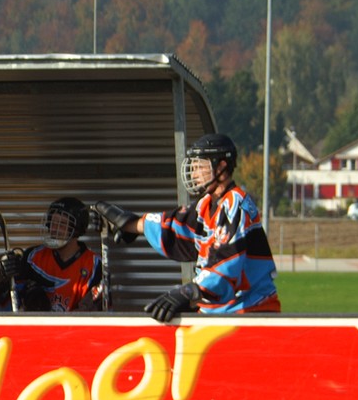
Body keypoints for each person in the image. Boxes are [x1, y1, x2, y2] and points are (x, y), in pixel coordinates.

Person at [91, 132, 280, 322]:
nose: (194, 174)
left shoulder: (235, 205)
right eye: (194, 167)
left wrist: (190, 291)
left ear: (222, 167)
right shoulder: (205, 204)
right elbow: (175, 228)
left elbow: (227, 262)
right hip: (220, 314)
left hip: (251, 312)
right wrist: (130, 223)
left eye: (200, 167)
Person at [0, 197, 105, 312]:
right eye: (53, 223)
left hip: (72, 326)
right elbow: (1, 306)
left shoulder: (94, 264)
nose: (54, 229)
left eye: (62, 224)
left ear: (77, 229)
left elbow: (95, 312)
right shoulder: (32, 258)